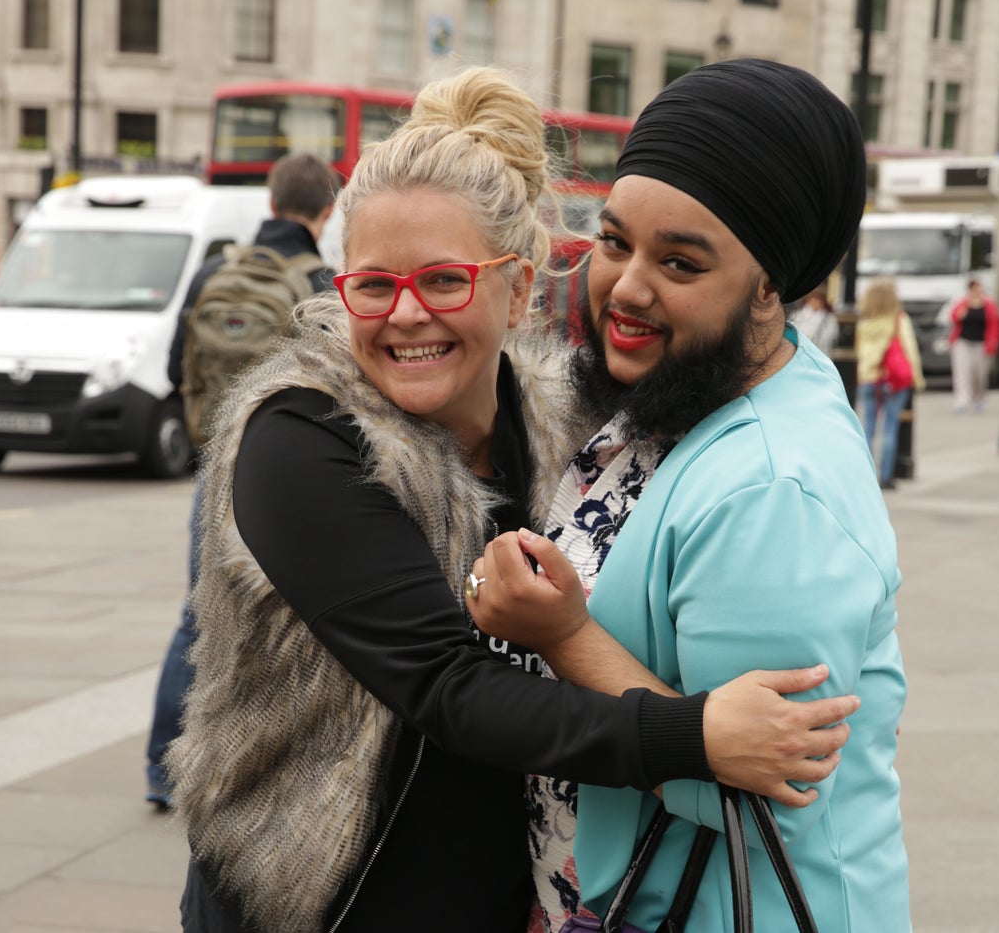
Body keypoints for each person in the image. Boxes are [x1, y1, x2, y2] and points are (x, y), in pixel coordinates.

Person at [164, 66, 859, 933]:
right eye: (374, 285)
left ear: (520, 288)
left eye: (445, 280)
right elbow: (448, 687)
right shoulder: (298, 439)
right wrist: (698, 736)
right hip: (316, 906)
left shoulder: (571, 420)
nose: (407, 314)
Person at [467, 58, 910, 933]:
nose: (627, 287)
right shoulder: (690, 390)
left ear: (773, 289)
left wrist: (561, 634)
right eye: (616, 240)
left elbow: (761, 791)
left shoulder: (770, 488)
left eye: (680, 261)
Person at [143, 152, 338, 808]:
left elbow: (176, 367)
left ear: (272, 200)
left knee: (198, 614)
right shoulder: (317, 279)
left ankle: (161, 771)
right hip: (285, 474)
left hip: (213, 464)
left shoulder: (211, 271)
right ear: (327, 210)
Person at [856, 276, 925, 491]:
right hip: (892, 379)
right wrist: (917, 377)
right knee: (889, 429)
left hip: (868, 377)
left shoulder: (864, 320)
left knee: (868, 429)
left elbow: (858, 349)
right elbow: (909, 348)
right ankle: (886, 476)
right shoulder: (898, 318)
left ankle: (864, 476)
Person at [946, 277, 999, 413]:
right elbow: (953, 317)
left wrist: (994, 341)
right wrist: (962, 312)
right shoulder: (963, 303)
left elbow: (995, 324)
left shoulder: (988, 304)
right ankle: (962, 400)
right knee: (962, 372)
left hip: (981, 343)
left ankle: (979, 398)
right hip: (963, 342)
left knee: (979, 374)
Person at [788, 286, 838, 356]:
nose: (815, 302)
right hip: (801, 353)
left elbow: (832, 336)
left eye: (819, 300)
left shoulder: (829, 318)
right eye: (813, 299)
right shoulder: (798, 315)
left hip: (822, 353)